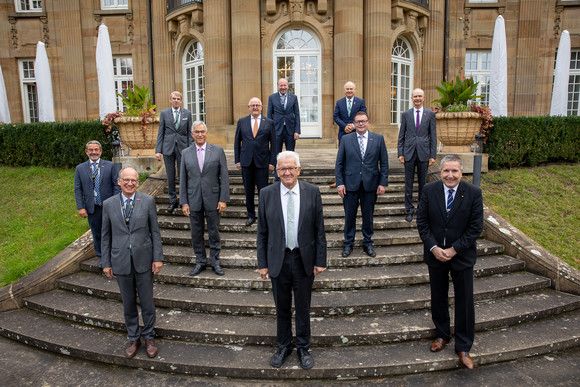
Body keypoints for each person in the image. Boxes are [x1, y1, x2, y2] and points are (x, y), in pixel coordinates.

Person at [257, 151, 327, 370]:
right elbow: (262, 232)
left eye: (291, 168)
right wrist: (262, 263)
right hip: (278, 259)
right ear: (276, 171)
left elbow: (319, 229)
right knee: (282, 307)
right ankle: (284, 346)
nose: (287, 172)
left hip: (303, 259)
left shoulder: (312, 192)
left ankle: (303, 347)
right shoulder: (267, 194)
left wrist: (320, 260)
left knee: (303, 307)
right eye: (282, 169)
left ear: (299, 169)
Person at [416, 154, 483, 370]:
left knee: (464, 301)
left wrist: (454, 249)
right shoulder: (429, 190)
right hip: (435, 255)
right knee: (438, 296)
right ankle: (442, 335)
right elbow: (422, 222)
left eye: (454, 171)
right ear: (441, 171)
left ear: (461, 173)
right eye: (446, 171)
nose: (450, 175)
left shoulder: (473, 193)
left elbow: (475, 228)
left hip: (461, 256)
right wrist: (434, 248)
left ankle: (463, 346)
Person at [101, 166, 163, 359]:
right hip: (120, 261)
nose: (130, 183)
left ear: (138, 182)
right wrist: (106, 262)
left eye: (134, 180)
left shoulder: (147, 201)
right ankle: (134, 337)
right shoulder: (109, 204)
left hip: (144, 260)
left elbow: (155, 232)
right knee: (128, 303)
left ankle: (149, 337)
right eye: (126, 180)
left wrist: (157, 257)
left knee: (147, 301)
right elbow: (105, 236)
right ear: (119, 182)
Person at [335, 111, 388, 258]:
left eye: (363, 121)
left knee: (368, 216)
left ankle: (368, 243)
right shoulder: (346, 139)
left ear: (368, 122)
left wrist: (383, 183)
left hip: (370, 185)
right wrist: (340, 184)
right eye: (358, 121)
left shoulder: (378, 139)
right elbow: (339, 164)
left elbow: (384, 163)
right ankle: (348, 244)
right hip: (350, 185)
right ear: (354, 123)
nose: (361, 124)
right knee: (349, 217)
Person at [180, 121, 230, 276]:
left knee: (214, 232)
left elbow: (225, 177)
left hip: (213, 199)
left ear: (207, 133)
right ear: (192, 134)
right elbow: (183, 179)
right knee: (196, 233)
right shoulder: (186, 153)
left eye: (202, 131)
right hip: (193, 199)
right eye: (197, 132)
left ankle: (215, 262)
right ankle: (200, 262)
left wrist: (223, 199)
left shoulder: (217, 151)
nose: (200, 134)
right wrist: (184, 202)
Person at [74, 140, 120, 266]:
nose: (93, 152)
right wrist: (81, 207)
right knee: (97, 234)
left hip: (108, 207)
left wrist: (115, 202)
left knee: (111, 232)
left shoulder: (110, 166)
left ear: (100, 151)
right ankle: (102, 258)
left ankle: (113, 256)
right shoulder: (80, 168)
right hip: (92, 207)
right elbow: (78, 189)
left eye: (96, 150)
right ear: (86, 152)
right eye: (91, 150)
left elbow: (116, 185)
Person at [234, 97, 277, 227]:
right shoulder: (242, 122)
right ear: (249, 107)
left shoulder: (269, 122)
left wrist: (272, 162)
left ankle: (263, 217)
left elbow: (274, 144)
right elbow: (237, 142)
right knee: (248, 191)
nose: (255, 107)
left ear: (261, 107)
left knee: (263, 192)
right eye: (252, 105)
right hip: (246, 163)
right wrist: (237, 160)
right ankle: (251, 215)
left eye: (257, 105)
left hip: (262, 162)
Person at [397, 88, 437, 222]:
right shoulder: (406, 114)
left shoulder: (430, 114)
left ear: (423, 98)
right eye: (415, 96)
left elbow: (433, 136)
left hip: (424, 154)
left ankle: (421, 209)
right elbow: (401, 135)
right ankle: (409, 210)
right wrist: (400, 153)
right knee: (408, 184)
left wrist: (433, 155)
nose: (417, 99)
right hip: (409, 153)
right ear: (411, 98)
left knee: (423, 184)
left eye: (420, 96)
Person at [155, 91, 193, 212]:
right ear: (170, 100)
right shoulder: (164, 113)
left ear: (181, 101)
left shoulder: (187, 113)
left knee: (183, 175)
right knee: (170, 176)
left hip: (183, 148)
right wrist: (158, 150)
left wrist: (191, 149)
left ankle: (183, 201)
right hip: (168, 148)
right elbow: (161, 132)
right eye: (174, 98)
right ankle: (173, 201)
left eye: (178, 99)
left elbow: (190, 133)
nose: (176, 100)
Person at [331, 81, 367, 187]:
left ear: (355, 90)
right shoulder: (339, 102)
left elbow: (364, 115)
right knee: (342, 158)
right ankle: (339, 180)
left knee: (356, 156)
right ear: (344, 90)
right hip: (343, 134)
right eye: (347, 89)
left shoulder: (360, 102)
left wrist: (353, 125)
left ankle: (354, 179)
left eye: (351, 89)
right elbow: (336, 117)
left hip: (357, 133)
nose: (349, 91)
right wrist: (345, 126)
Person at [267, 78, 300, 181]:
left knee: (291, 153)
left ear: (287, 86)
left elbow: (297, 115)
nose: (283, 87)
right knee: (276, 153)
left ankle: (292, 174)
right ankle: (278, 175)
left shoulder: (293, 98)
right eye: (281, 85)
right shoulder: (272, 98)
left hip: (290, 129)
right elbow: (269, 115)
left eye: (285, 85)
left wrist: (297, 130)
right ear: (278, 86)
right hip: (277, 130)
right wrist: (269, 131)